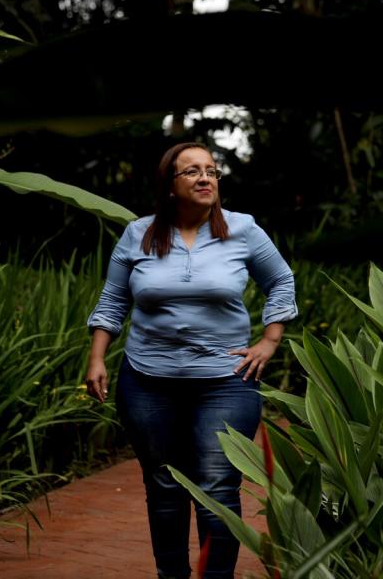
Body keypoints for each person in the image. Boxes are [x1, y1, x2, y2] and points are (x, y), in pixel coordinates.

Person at [84, 142, 297, 578]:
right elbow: (113, 300)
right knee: (164, 487)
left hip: (226, 379)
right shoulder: (138, 233)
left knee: (218, 488)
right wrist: (97, 359)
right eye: (193, 172)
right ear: (169, 187)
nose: (206, 178)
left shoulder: (243, 230)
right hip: (147, 380)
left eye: (212, 172)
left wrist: (270, 340)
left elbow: (281, 280)